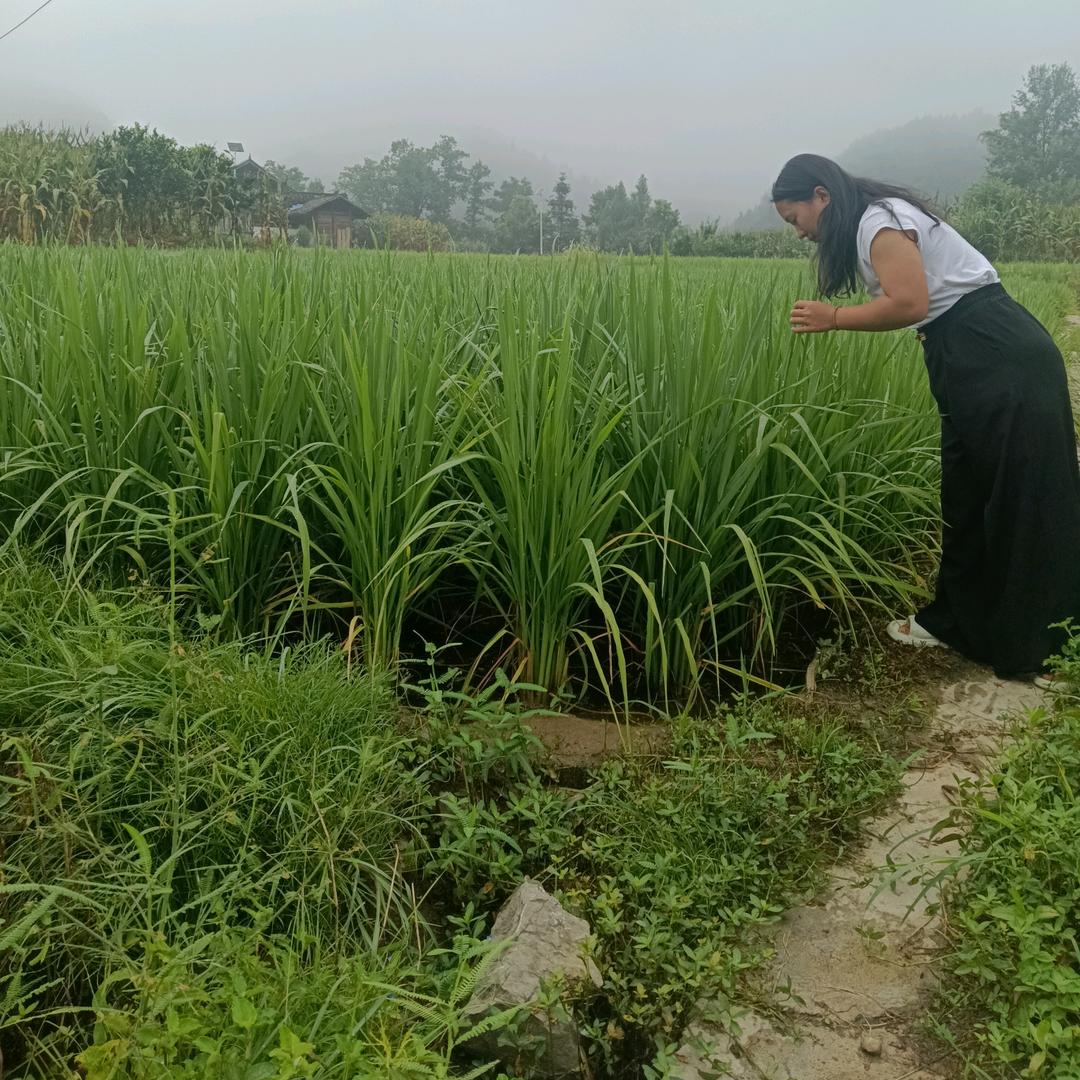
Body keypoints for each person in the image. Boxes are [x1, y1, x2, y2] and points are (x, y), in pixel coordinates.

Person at [771, 152, 1080, 687]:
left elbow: (911, 301)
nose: (799, 233)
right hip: (967, 352)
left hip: (999, 357)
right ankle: (957, 621)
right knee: (966, 493)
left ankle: (1045, 643)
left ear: (821, 196)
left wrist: (834, 318)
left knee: (1024, 494)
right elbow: (932, 305)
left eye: (795, 219)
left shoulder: (878, 221)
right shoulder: (878, 220)